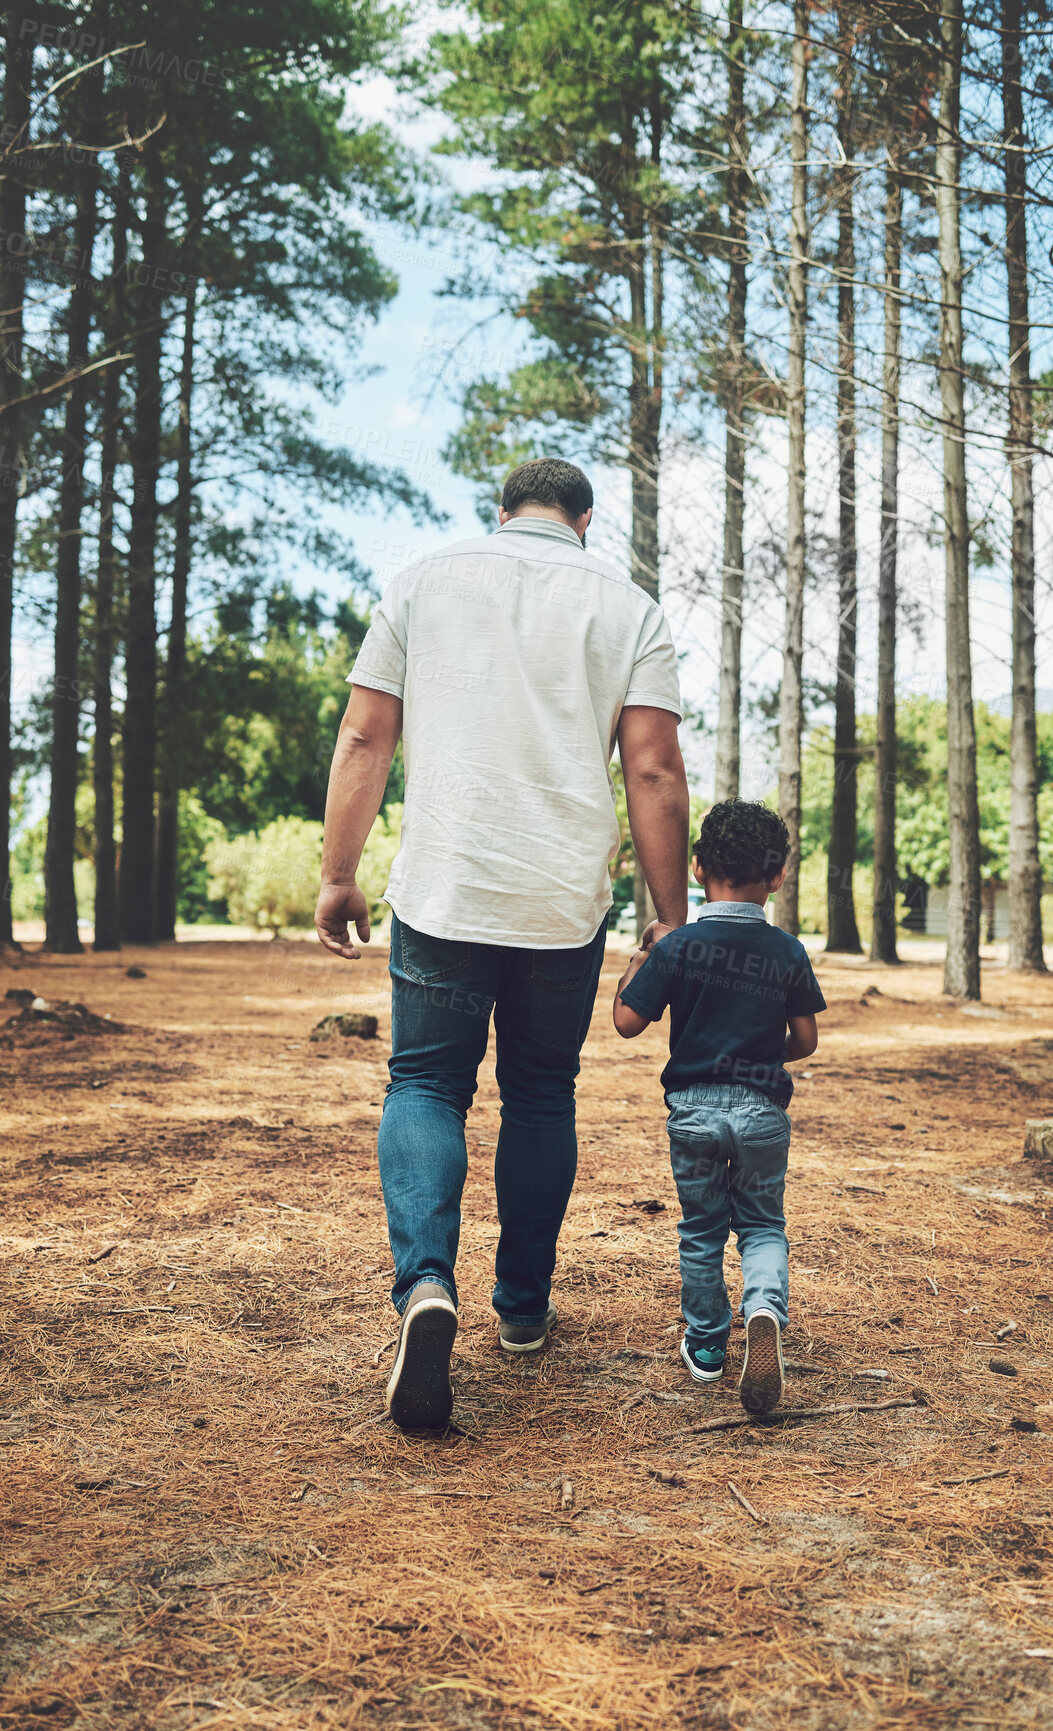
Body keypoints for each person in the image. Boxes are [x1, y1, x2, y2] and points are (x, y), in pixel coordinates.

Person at [315, 457, 689, 1429]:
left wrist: (338, 874)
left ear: (502, 510)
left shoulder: (425, 579)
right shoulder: (630, 608)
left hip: (446, 886)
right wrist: (672, 914)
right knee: (539, 1092)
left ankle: (425, 1285)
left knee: (428, 1084)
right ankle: (521, 1311)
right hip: (561, 901)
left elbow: (365, 738)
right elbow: (651, 770)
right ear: (584, 519)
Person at [612, 800, 826, 1415]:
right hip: (762, 1112)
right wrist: (765, 1057)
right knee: (761, 1225)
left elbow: (627, 1022)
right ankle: (762, 1309)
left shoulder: (681, 947)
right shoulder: (787, 951)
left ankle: (706, 1346)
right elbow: (806, 1041)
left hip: (694, 1115)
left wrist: (643, 955)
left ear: (698, 867)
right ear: (777, 876)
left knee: (702, 1229)